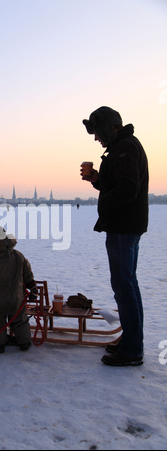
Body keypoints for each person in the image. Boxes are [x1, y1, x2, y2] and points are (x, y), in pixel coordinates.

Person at [81, 106, 149, 366]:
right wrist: (98, 180)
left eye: (97, 132)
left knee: (124, 286)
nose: (97, 138)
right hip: (125, 226)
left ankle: (132, 350)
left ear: (111, 127)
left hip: (124, 227)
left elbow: (128, 188)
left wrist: (103, 203)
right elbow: (119, 184)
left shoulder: (126, 147)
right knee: (127, 285)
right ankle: (131, 342)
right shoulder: (124, 147)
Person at [0, 225, 37, 353]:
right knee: (19, 321)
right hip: (17, 298)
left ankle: (0, 344)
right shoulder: (18, 256)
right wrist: (32, 287)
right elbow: (27, 274)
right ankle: (24, 342)